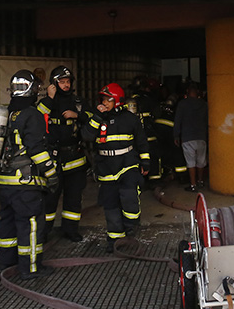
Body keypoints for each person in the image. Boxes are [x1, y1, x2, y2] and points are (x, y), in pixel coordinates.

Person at [0, 70, 59, 277]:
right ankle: (31, 268)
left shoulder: (5, 113)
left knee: (7, 223)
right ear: (32, 90)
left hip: (5, 181)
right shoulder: (32, 115)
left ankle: (7, 262)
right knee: (30, 225)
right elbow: (37, 150)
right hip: (25, 183)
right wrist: (51, 174)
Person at [82, 83, 149, 252]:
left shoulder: (130, 118)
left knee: (129, 196)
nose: (105, 102)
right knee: (111, 207)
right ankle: (114, 241)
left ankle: (131, 227)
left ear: (117, 101)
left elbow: (141, 141)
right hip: (106, 169)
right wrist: (97, 117)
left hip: (127, 164)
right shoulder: (97, 118)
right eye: (103, 99)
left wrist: (146, 162)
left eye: (108, 99)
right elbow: (87, 136)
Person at [36, 66, 86, 243]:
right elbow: (38, 115)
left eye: (68, 82)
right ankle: (44, 232)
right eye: (62, 82)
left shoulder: (78, 101)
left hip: (75, 159)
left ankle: (71, 231)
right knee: (50, 199)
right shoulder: (48, 101)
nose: (66, 85)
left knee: (73, 199)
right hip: (54, 159)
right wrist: (50, 97)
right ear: (54, 84)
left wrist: (77, 115)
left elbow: (92, 118)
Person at [172, 83, 209, 192]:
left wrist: (176, 135)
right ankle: (201, 181)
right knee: (201, 161)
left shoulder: (182, 104)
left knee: (191, 162)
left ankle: (193, 185)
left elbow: (177, 121)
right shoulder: (203, 104)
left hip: (188, 137)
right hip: (201, 136)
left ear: (187, 92)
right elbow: (207, 120)